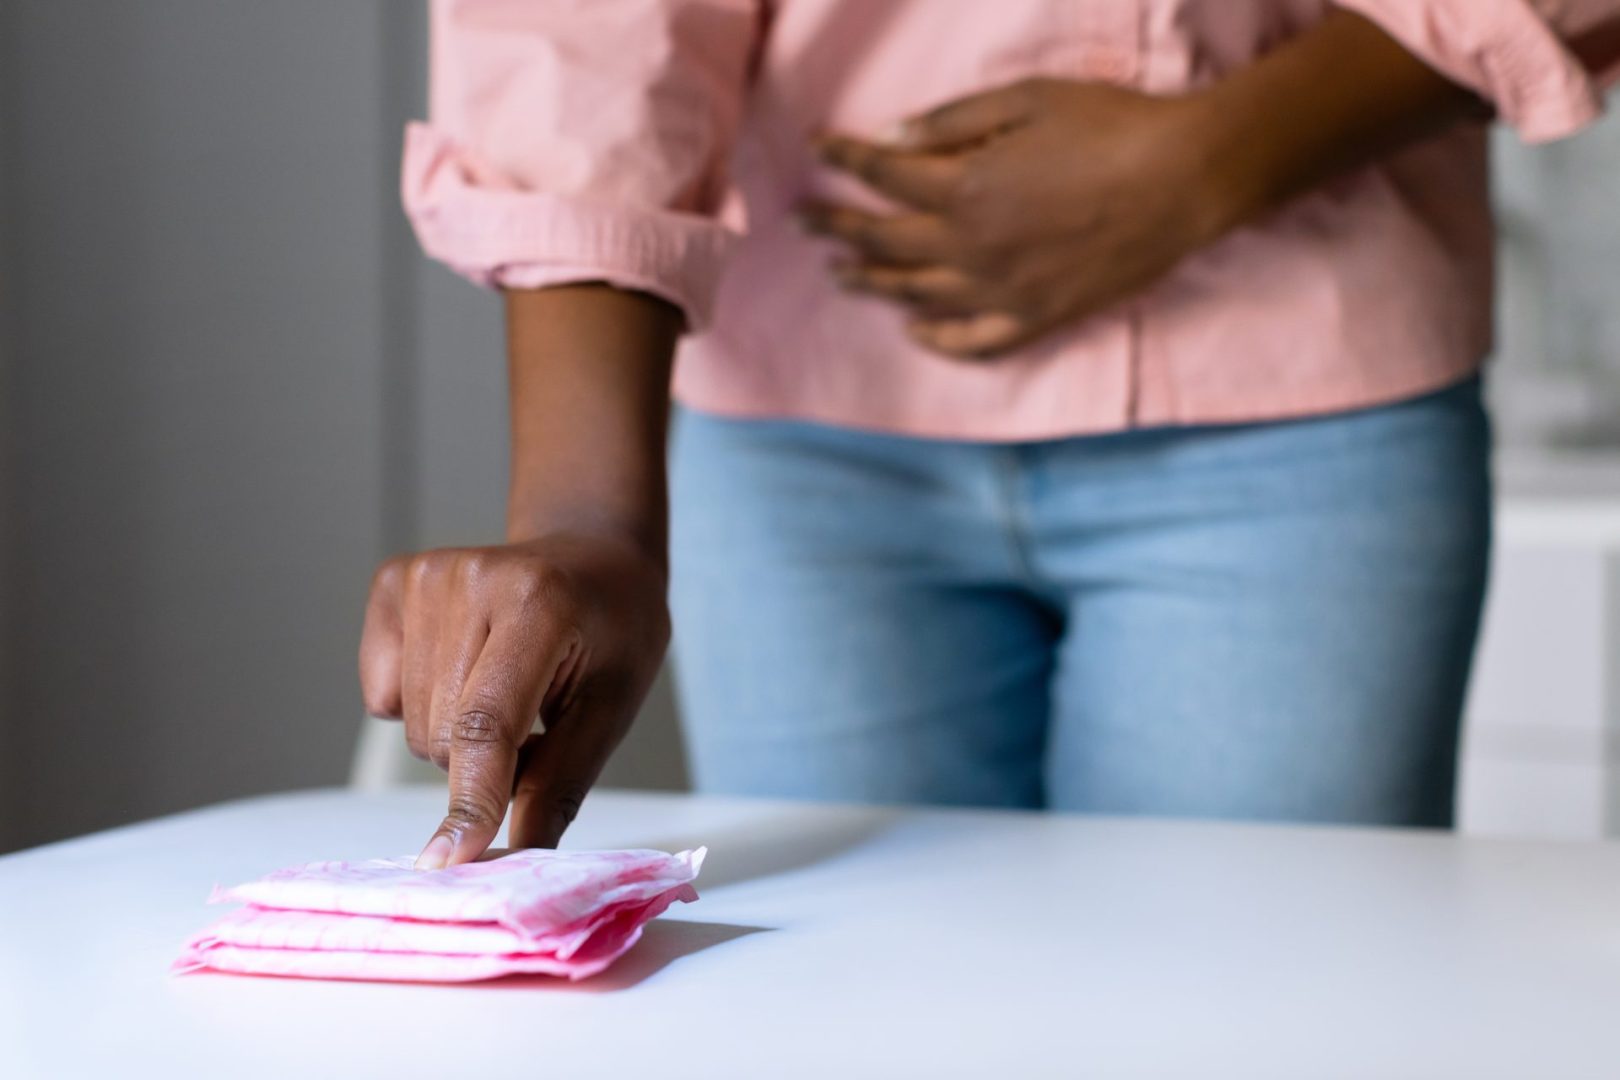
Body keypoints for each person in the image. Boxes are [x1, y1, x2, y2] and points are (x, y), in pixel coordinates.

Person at [359, 0, 1620, 869]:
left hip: (1302, 387)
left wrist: (1208, 163)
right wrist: (590, 522)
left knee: (1260, 1021)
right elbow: (589, 33)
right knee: (865, 1024)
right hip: (807, 436)